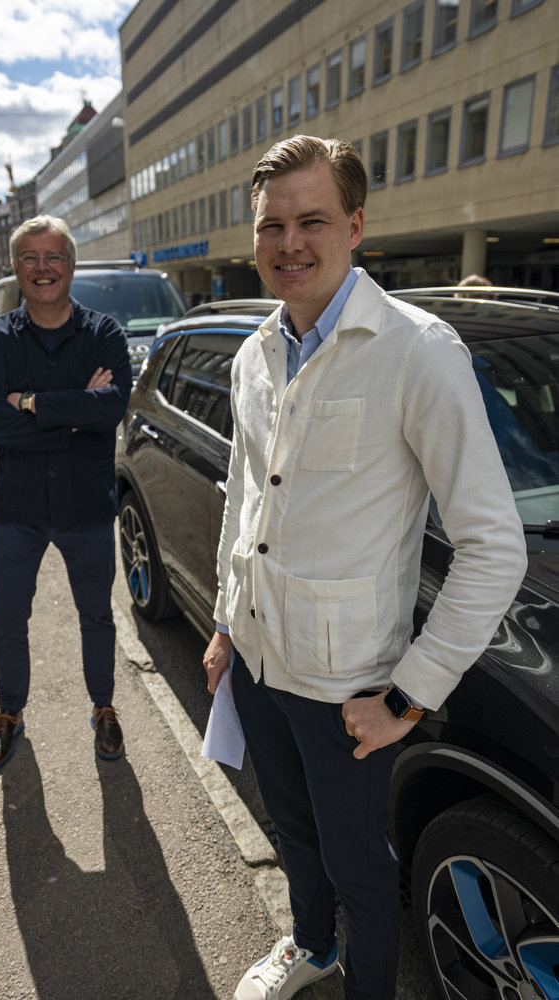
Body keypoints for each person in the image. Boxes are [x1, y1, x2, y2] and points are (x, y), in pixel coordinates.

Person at [202, 135, 527, 1000]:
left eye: (311, 221)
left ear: (354, 226)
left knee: (361, 868)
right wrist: (226, 621)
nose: (289, 243)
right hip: (260, 661)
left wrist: (408, 697)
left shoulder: (417, 350)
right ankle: (311, 946)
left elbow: (494, 545)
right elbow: (244, 500)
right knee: (293, 833)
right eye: (272, 225)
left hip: (346, 684)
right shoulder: (253, 353)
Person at [0, 215, 132, 769]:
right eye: (30, 258)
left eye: (53, 257)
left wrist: (32, 402)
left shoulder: (104, 334)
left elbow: (112, 408)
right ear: (16, 268)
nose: (42, 268)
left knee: (97, 616)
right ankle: (9, 713)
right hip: (17, 509)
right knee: (8, 620)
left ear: (71, 265)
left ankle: (104, 707)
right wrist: (75, 414)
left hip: (86, 507)